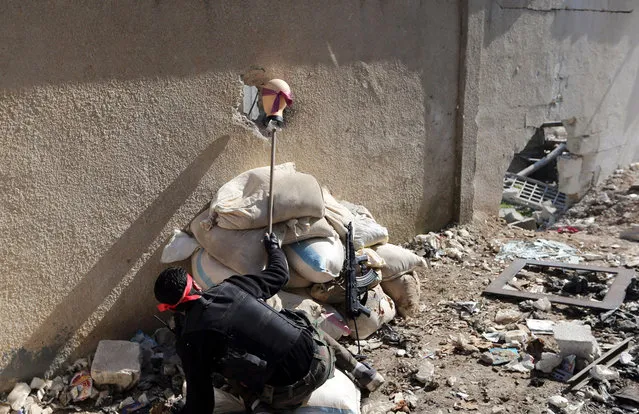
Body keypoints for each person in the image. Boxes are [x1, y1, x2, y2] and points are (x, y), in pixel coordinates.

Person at [154, 232, 384, 413]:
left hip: (287, 394)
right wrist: (273, 249)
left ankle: (258, 407)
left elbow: (201, 405)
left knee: (227, 368)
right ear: (194, 284)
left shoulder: (189, 342)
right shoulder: (231, 287)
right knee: (301, 320)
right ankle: (361, 371)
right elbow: (279, 275)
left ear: (170, 308)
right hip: (321, 360)